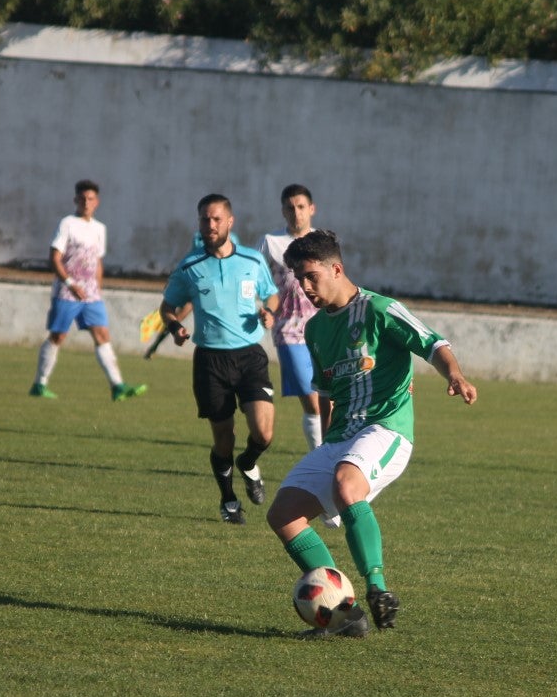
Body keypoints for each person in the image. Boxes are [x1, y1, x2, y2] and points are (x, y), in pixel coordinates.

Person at [267, 229, 478, 637]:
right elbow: (326, 395)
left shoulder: (380, 309)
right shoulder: (315, 331)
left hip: (386, 429)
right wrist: (327, 443)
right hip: (342, 437)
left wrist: (455, 374)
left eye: (312, 276)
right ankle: (346, 616)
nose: (305, 287)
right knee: (283, 515)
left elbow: (432, 343)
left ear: (337, 269)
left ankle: (378, 589)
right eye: (299, 279)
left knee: (348, 486)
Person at [160, 194, 280, 525]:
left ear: (230, 221)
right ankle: (228, 500)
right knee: (223, 439)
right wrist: (175, 327)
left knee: (264, 433)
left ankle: (249, 463)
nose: (210, 225)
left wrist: (269, 312)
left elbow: (271, 293)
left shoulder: (252, 261)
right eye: (204, 220)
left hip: (250, 357)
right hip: (210, 361)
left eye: (216, 219)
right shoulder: (190, 266)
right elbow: (168, 307)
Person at [29, 179, 147, 401]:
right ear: (76, 200)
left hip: (91, 294)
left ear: (97, 202)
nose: (86, 202)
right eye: (82, 198)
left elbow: (97, 262)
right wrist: (70, 284)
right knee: (58, 336)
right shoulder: (67, 224)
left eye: (90, 199)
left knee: (102, 334)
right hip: (67, 291)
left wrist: (97, 289)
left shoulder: (100, 229)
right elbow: (55, 258)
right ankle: (39, 384)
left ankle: (117, 386)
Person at [258, 184, 324, 452]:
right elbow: (257, 280)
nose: (296, 213)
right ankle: (320, 457)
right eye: (290, 208)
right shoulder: (271, 242)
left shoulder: (323, 241)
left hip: (324, 329)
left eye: (300, 207)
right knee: (312, 401)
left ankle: (328, 453)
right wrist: (266, 310)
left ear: (312, 209)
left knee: (328, 399)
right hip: (288, 331)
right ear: (283, 211)